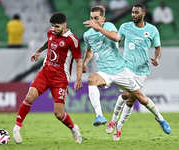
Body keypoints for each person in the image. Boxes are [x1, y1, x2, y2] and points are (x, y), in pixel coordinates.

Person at [83, 5, 171, 139]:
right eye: (132, 12)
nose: (133, 14)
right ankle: (107, 118)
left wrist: (157, 58)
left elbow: (157, 48)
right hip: (124, 67)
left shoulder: (152, 30)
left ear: (143, 14)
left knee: (134, 100)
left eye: (136, 12)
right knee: (121, 93)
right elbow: (115, 40)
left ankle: (159, 118)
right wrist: (85, 63)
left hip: (140, 70)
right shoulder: (124, 27)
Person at [13, 12, 83, 144]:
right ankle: (16, 128)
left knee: (58, 114)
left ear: (64, 25)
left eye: (57, 26)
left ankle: (74, 129)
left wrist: (78, 78)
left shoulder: (72, 40)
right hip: (45, 72)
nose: (54, 29)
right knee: (29, 96)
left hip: (60, 79)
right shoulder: (51, 33)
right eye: (52, 26)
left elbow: (79, 61)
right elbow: (49, 42)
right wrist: (38, 51)